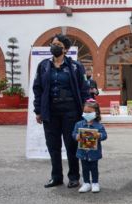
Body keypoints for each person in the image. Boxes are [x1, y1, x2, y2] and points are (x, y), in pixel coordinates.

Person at [33, 34, 90, 188]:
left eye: (57, 44)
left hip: (70, 111)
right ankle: (56, 176)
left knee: (71, 145)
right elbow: (37, 88)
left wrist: (87, 111)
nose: (54, 46)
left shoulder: (75, 66)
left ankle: (74, 177)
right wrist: (38, 110)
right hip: (50, 111)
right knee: (53, 145)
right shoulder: (44, 66)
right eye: (53, 44)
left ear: (65, 49)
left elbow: (84, 90)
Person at [72, 99, 107, 193]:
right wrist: (76, 136)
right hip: (82, 152)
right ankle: (86, 183)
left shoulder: (99, 126)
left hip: (94, 153)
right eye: (85, 112)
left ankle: (95, 183)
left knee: (94, 168)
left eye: (89, 112)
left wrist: (99, 135)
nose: (87, 114)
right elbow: (73, 134)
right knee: (85, 168)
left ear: (96, 113)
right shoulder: (78, 124)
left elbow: (104, 136)